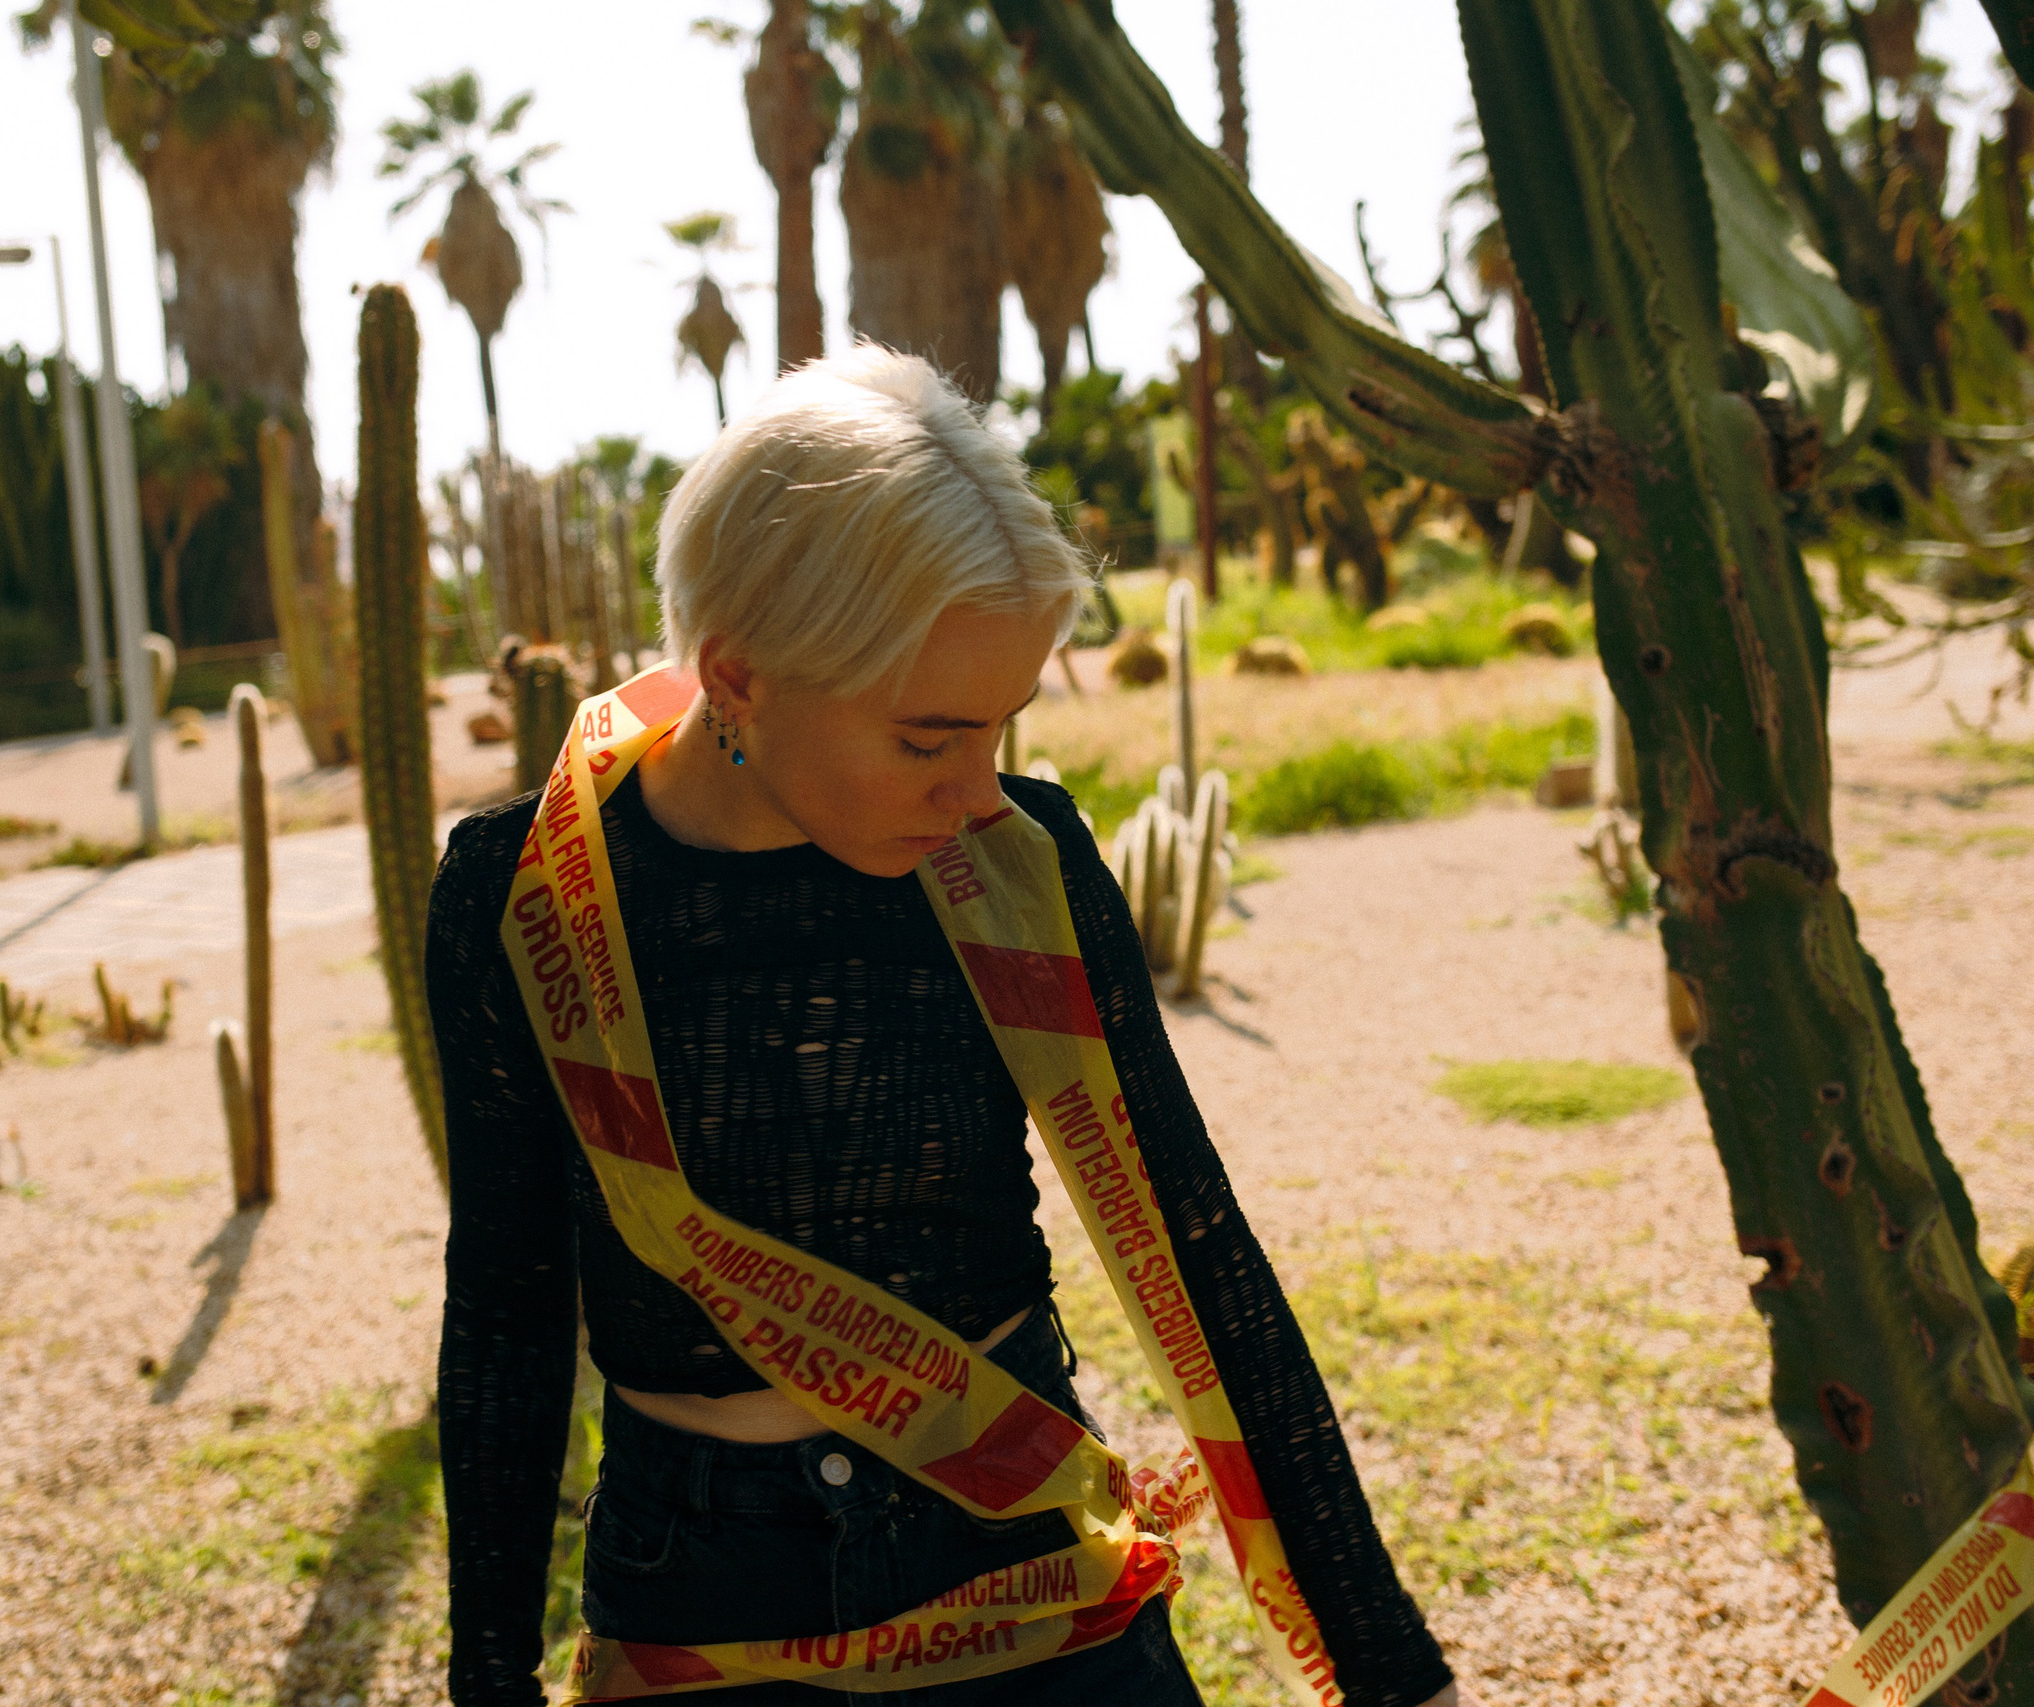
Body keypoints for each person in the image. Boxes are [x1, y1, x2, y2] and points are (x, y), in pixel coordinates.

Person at [428, 345, 1459, 1706]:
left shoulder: (1021, 865)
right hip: (699, 1592)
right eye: (927, 738)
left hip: (1017, 1551)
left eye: (1001, 729)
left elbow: (1200, 1248)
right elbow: (507, 1310)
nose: (980, 793)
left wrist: (1391, 1665)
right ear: (736, 675)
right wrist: (489, 1681)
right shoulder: (525, 896)